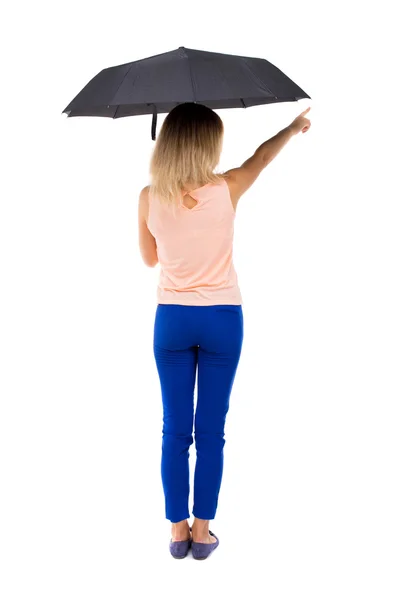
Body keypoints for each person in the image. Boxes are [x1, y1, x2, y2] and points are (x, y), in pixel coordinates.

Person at [138, 102, 311, 559]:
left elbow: (149, 259)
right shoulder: (228, 187)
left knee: (175, 430)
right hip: (221, 320)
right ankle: (202, 532)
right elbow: (262, 157)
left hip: (172, 319)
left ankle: (176, 532)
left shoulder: (148, 196)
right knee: (211, 430)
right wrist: (292, 127)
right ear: (208, 144)